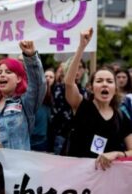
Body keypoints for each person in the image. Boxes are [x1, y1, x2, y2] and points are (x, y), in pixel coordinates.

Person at [65, 27, 132, 170]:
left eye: (109, 81)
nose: (104, 84)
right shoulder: (81, 105)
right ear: (91, 87)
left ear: (115, 89)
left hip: (106, 181)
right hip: (77, 178)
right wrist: (81, 47)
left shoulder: (121, 117)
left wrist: (117, 154)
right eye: (99, 80)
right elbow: (69, 83)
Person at [31, 68, 54, 151]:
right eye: (46, 76)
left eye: (51, 77)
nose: (48, 78)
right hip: (32, 138)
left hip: (42, 139)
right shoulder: (31, 101)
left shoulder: (50, 102)